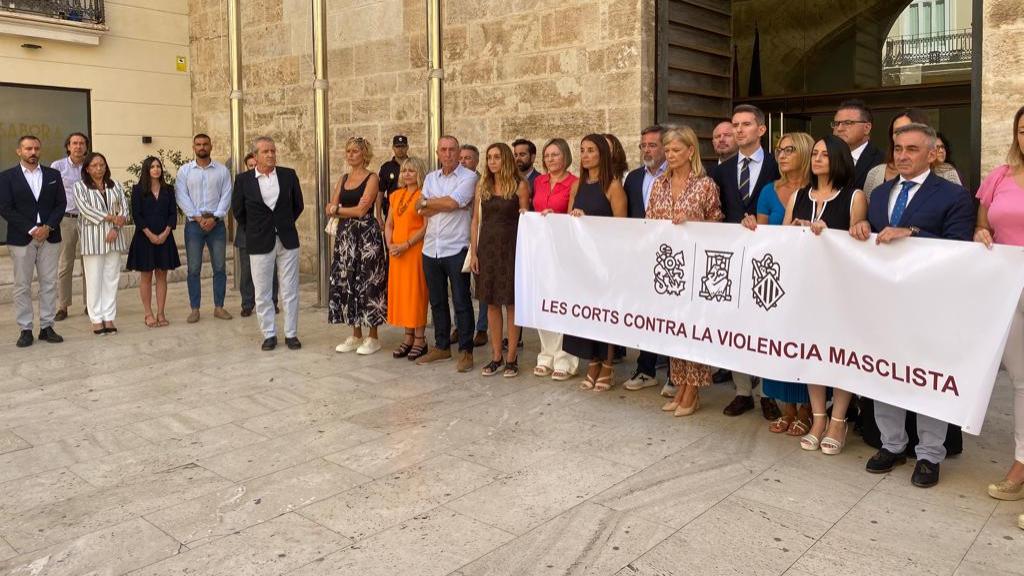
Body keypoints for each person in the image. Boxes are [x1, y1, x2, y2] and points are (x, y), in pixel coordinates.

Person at [850, 123, 975, 488]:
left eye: (912, 149)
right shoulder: (881, 192)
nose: (902, 155)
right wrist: (860, 229)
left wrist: (914, 235)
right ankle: (892, 444)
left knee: (926, 380)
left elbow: (959, 250)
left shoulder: (953, 196)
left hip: (930, 304)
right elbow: (872, 241)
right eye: (898, 148)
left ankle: (929, 455)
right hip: (885, 303)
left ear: (933, 153)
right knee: (886, 373)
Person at [785, 135, 868, 455]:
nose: (817, 158)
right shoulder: (798, 195)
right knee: (812, 353)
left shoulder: (854, 197)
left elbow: (859, 244)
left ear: (839, 159)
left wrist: (829, 235)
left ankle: (838, 419)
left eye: (825, 154)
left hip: (842, 291)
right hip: (807, 287)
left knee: (840, 354)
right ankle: (818, 418)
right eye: (815, 153)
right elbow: (782, 238)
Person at [741, 132, 815, 436]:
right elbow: (762, 233)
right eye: (779, 150)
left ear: (804, 153)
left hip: (808, 279)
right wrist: (751, 227)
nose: (781, 156)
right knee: (777, 343)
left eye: (789, 150)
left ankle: (808, 410)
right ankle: (786, 408)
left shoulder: (816, 190)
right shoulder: (769, 191)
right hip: (775, 278)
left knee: (803, 344)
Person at [647, 126, 724, 416]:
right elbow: (649, 221)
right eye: (667, 151)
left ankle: (693, 389)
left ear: (691, 151)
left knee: (694, 327)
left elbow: (718, 224)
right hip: (668, 268)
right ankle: (680, 384)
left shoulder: (705, 185)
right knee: (674, 327)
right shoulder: (659, 184)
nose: (670, 155)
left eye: (676, 150)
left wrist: (694, 220)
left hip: (696, 266)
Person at [712, 104, 781, 419]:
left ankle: (767, 392)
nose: (738, 130)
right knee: (735, 324)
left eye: (746, 125)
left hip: (769, 260)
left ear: (761, 129)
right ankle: (742, 391)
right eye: (735, 125)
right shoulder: (722, 170)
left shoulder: (777, 165)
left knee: (766, 326)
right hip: (733, 258)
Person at [975, 105, 1024, 523]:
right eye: (1023, 130)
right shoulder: (1000, 176)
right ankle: (1021, 465)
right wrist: (982, 231)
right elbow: (982, 221)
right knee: (1023, 383)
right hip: (1010, 289)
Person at [564, 134, 628, 390]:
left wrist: (588, 220)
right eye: (582, 150)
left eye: (591, 150)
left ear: (602, 153)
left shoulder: (613, 186)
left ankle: (608, 365)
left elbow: (621, 227)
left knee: (605, 314)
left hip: (606, 261)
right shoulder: (576, 185)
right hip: (583, 260)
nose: (586, 155)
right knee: (586, 313)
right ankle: (592, 361)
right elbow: (569, 220)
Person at [232, 136, 304, 351]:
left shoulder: (288, 175)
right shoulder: (244, 180)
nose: (271, 154)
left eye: (273, 150)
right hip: (259, 241)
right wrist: (256, 229)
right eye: (266, 151)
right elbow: (238, 211)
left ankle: (291, 334)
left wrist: (283, 224)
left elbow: (297, 205)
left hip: (287, 239)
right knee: (262, 291)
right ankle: (269, 334)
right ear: (255, 156)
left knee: (290, 289)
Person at [415, 135, 478, 372]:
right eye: (444, 150)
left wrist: (431, 202)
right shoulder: (431, 177)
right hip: (431, 248)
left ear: (458, 151)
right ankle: (441, 346)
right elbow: (421, 211)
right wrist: (440, 203)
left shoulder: (469, 177)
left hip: (456, 247)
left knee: (461, 301)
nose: (448, 154)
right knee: (438, 300)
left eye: (452, 149)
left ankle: (466, 351)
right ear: (437, 152)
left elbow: (452, 204)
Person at [470, 143, 530, 377]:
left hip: (512, 249)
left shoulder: (519, 185)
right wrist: (474, 252)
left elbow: (526, 221)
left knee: (512, 303)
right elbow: (476, 220)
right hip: (487, 249)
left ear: (505, 159)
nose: (492, 161)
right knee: (491, 303)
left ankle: (512, 357)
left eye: (497, 157)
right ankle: (496, 355)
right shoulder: (482, 185)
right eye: (489, 158)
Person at [0, 135, 65, 347]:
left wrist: (48, 227)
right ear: (19, 151)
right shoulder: (7, 177)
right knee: (22, 286)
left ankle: (47, 327)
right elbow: (5, 207)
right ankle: (25, 328)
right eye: (28, 148)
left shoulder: (53, 175)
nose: (33, 152)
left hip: (50, 237)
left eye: (36, 148)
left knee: (48, 283)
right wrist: (31, 229)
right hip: (21, 238)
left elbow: (60, 204)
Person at [623, 125, 673, 396]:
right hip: (641, 255)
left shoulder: (678, 176)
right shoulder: (632, 178)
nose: (647, 150)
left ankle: (676, 375)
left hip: (670, 257)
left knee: (670, 313)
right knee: (647, 312)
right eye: (643, 145)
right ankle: (646, 368)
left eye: (652, 145)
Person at [328, 137, 387, 355]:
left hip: (366, 236)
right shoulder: (343, 178)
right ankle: (355, 333)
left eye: (355, 151)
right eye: (348, 150)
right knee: (349, 282)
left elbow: (362, 210)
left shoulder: (372, 178)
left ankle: (373, 337)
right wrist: (337, 209)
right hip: (346, 237)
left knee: (369, 282)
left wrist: (337, 209)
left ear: (364, 154)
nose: (351, 154)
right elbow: (329, 206)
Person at [532, 138, 580, 381]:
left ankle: (565, 358)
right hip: (541, 251)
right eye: (547, 155)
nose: (550, 159)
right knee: (545, 304)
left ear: (566, 157)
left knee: (562, 305)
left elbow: (572, 217)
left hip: (563, 252)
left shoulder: (574, 183)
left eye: (555, 155)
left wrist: (556, 218)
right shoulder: (538, 182)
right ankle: (546, 354)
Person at [175, 133, 233, 323]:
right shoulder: (185, 171)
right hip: (194, 225)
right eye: (198, 144)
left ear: (211, 146)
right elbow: (181, 196)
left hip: (216, 225)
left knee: (219, 267)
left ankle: (219, 307)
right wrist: (199, 218)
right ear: (193, 147)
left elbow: (226, 195)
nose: (202, 147)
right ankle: (195, 308)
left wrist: (215, 217)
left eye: (205, 144)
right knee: (193, 269)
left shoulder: (222, 171)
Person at [74, 152, 129, 336]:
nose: (99, 168)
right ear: (87, 169)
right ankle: (96, 319)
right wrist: (110, 217)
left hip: (115, 238)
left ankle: (109, 317)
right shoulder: (80, 187)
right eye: (95, 165)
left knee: (111, 279)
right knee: (94, 280)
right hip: (94, 240)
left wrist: (115, 226)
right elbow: (86, 210)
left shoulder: (116, 186)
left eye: (102, 165)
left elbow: (124, 209)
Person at [126, 156, 181, 328]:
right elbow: (137, 215)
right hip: (144, 238)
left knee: (162, 276)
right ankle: (148, 313)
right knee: (146, 277)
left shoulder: (169, 189)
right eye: (152, 166)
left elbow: (173, 214)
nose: (156, 169)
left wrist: (165, 233)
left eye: (158, 166)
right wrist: (150, 235)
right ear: (146, 170)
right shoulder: (137, 190)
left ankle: (161, 312)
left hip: (165, 238)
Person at [386, 157, 430, 361]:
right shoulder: (395, 196)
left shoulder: (424, 195)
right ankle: (408, 336)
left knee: (416, 293)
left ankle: (420, 339)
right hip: (397, 253)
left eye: (411, 171)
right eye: (404, 171)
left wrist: (406, 245)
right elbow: (389, 224)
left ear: (419, 172)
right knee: (403, 294)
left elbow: (425, 226)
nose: (407, 174)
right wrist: (390, 244)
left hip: (413, 251)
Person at [863, 109, 962, 199]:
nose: (903, 135)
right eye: (897, 131)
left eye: (908, 129)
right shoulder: (875, 174)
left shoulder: (946, 173)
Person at [236, 152, 279, 317]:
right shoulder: (243, 181)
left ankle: (272, 302)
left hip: (269, 233)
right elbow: (238, 208)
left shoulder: (272, 182)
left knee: (271, 270)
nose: (254, 167)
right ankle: (247, 303)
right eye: (251, 165)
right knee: (246, 271)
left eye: (256, 164)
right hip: (247, 233)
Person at [52, 132, 88, 321]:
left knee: (88, 263)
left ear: (86, 147)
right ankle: (63, 306)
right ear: (68, 146)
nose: (78, 146)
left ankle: (89, 304)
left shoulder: (90, 167)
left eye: (82, 143)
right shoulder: (57, 166)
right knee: (65, 263)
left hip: (89, 220)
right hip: (66, 220)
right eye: (74, 143)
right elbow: (51, 195)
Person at [456, 143, 488, 347]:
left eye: (467, 158)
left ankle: (482, 328)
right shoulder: (455, 181)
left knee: (482, 288)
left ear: (476, 161)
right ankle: (460, 327)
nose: (463, 161)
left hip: (479, 239)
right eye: (461, 158)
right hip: (458, 239)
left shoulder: (483, 182)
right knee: (460, 288)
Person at [832, 99, 884, 190]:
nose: (839, 129)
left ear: (867, 128)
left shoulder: (882, 160)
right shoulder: (826, 158)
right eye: (836, 124)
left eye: (847, 123)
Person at [378, 134, 409, 222]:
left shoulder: (414, 165)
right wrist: (379, 217)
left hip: (410, 211)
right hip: (391, 213)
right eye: (397, 146)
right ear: (393, 148)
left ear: (407, 147)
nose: (400, 149)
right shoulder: (386, 167)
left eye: (402, 146)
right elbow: (380, 193)